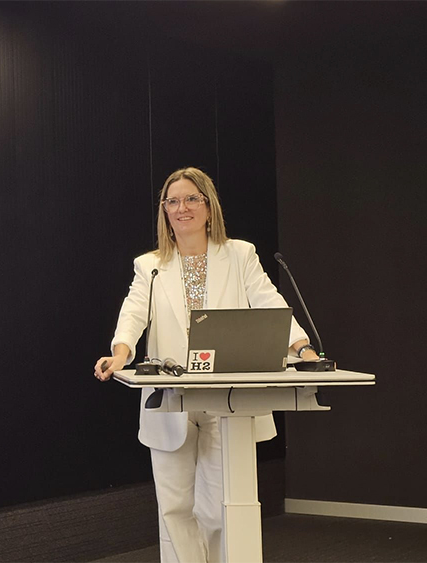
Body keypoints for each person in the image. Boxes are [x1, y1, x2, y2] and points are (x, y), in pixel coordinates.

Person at [92, 167, 319, 563]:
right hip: (171, 398)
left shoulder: (239, 255)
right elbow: (133, 313)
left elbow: (268, 301)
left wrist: (302, 347)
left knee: (219, 507)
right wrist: (121, 352)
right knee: (175, 508)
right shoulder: (150, 265)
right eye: (173, 201)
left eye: (192, 198)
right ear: (165, 211)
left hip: (226, 398)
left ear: (209, 207)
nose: (182, 207)